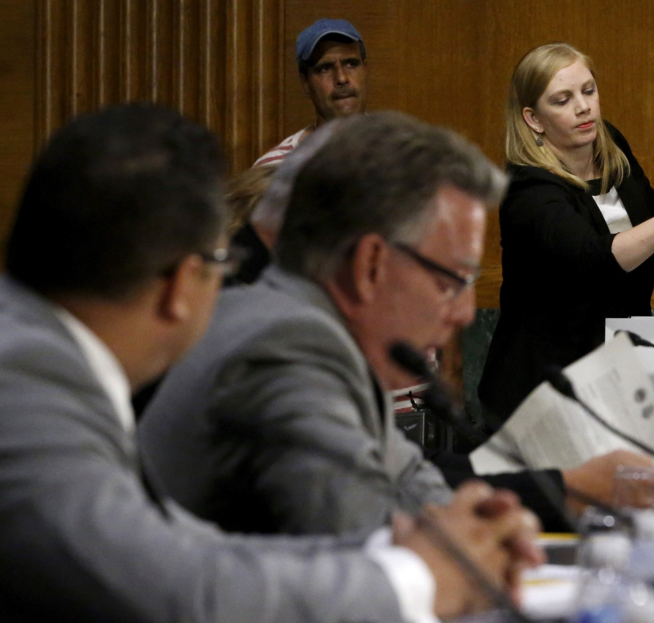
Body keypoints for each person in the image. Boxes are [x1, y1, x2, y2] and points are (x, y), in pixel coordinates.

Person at [0, 104, 540, 622]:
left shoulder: (40, 360)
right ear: (182, 284)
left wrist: (452, 543)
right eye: (222, 263)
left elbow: (193, 548)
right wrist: (416, 577)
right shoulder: (25, 381)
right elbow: (177, 592)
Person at [139, 111, 654, 538]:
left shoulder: (321, 333)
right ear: (372, 264)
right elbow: (364, 536)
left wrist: (568, 488)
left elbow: (409, 484)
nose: (466, 313)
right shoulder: (286, 343)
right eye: (452, 278)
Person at [477, 43, 654, 424]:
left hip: (617, 373)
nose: (583, 107)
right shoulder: (528, 189)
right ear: (533, 119)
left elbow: (642, 221)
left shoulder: (608, 145)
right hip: (546, 393)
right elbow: (593, 258)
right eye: (563, 99)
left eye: (588, 91)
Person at [255, 18, 369, 166]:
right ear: (306, 83)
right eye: (325, 68)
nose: (341, 78)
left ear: (365, 71)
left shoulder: (402, 153)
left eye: (351, 64)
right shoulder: (277, 167)